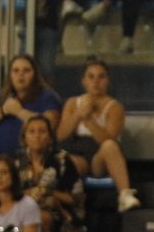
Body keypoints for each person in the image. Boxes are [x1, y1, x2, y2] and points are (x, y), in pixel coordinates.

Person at [56, 60, 138, 213]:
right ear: (84, 81)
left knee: (110, 146)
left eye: (101, 77)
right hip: (77, 153)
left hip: (98, 157)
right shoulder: (72, 103)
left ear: (108, 81)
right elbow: (61, 136)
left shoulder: (115, 107)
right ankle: (65, 205)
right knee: (66, 160)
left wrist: (88, 120)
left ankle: (125, 195)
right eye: (91, 77)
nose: (96, 82)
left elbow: (107, 139)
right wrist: (78, 115)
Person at [0, 55, 63, 158]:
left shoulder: (47, 96)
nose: (21, 74)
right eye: (16, 71)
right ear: (10, 75)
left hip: (35, 158)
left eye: (26, 70)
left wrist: (19, 112)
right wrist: (3, 110)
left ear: (35, 74)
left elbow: (50, 125)